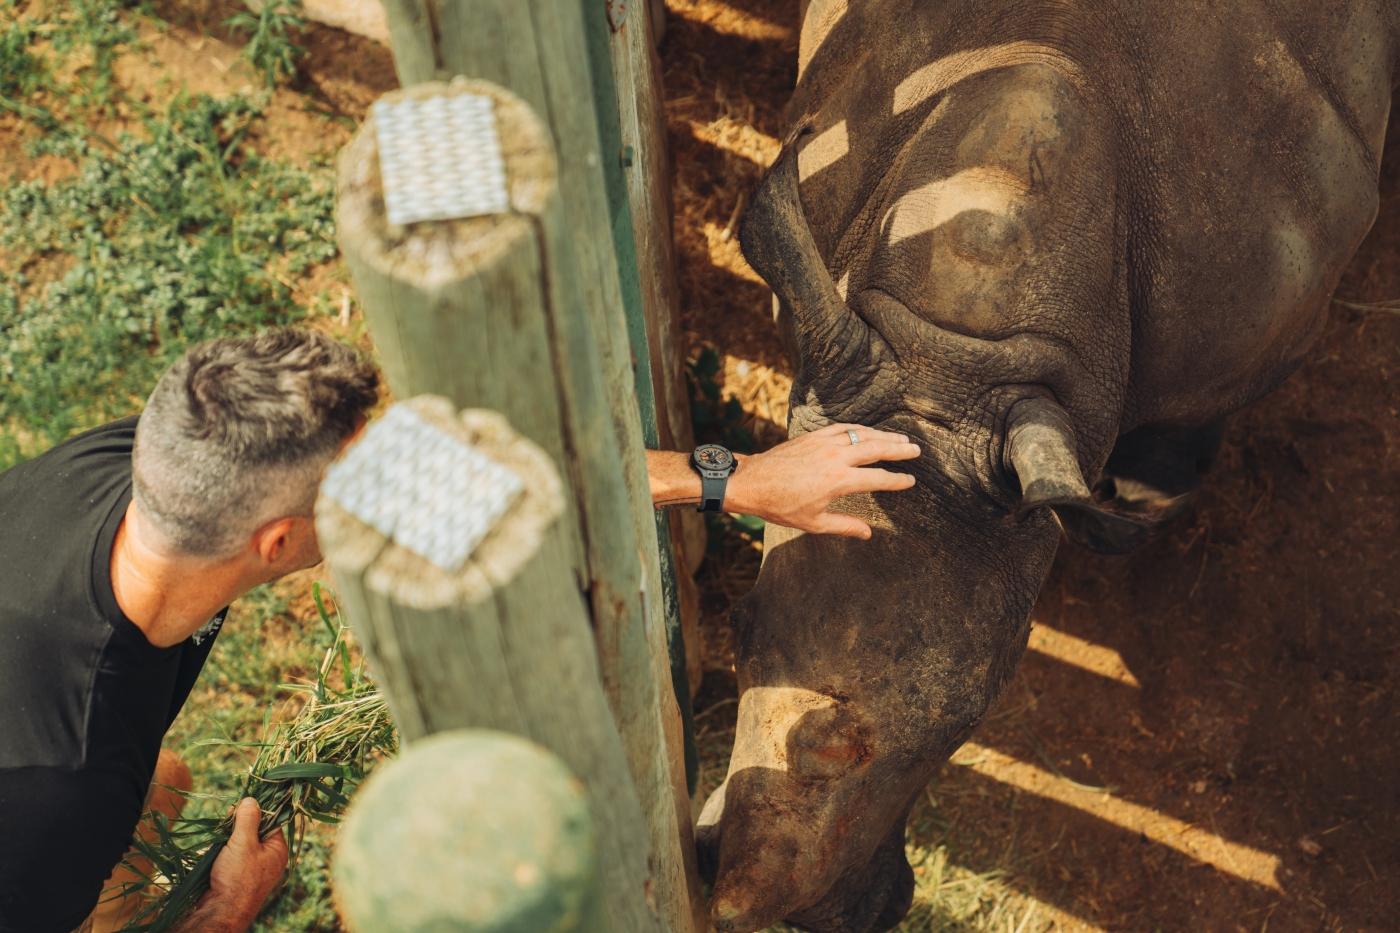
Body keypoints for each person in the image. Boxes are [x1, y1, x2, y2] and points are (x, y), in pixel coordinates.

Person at [0, 328, 918, 933]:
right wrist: (224, 913)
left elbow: (447, 478)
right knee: (131, 810)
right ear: (275, 540)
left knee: (159, 784)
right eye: (353, 486)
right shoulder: (66, 792)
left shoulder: (148, 463)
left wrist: (731, 478)